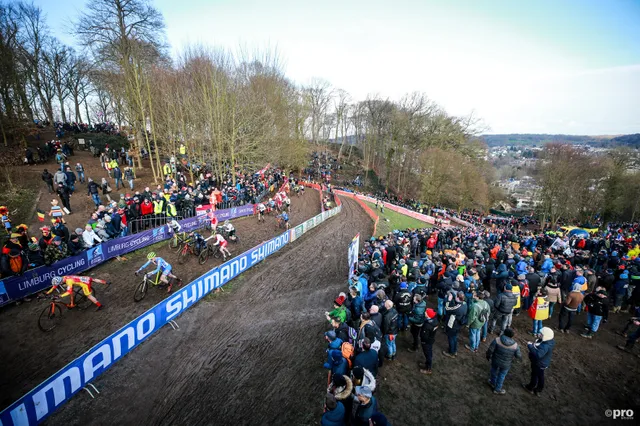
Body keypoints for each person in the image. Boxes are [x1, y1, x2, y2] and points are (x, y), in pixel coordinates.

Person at [486, 328, 522, 395]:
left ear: (504, 333)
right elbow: (518, 356)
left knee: (493, 370)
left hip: (495, 360)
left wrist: (488, 356)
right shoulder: (515, 345)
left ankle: (492, 382)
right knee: (502, 375)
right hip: (506, 364)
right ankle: (497, 389)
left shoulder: (497, 340)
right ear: (512, 336)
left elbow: (490, 350)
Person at [523, 326, 556, 396]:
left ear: (545, 336)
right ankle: (538, 389)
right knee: (540, 375)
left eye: (541, 334)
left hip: (538, 363)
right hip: (543, 363)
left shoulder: (545, 346)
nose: (539, 334)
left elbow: (538, 354)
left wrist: (530, 346)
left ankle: (530, 387)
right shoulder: (549, 342)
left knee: (535, 375)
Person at [443, 291, 468, 358]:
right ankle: (454, 350)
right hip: (458, 325)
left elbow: (447, 308)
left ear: (457, 297)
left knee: (451, 338)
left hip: (453, 325)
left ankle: (451, 353)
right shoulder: (465, 303)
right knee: (454, 338)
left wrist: (448, 300)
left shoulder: (457, 307)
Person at [420, 308, 438, 374]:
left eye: (426, 312)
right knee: (429, 353)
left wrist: (422, 341)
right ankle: (426, 364)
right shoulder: (435, 320)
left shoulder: (427, 325)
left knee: (428, 354)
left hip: (426, 342)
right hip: (431, 339)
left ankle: (428, 369)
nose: (425, 312)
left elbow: (424, 335)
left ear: (428, 315)